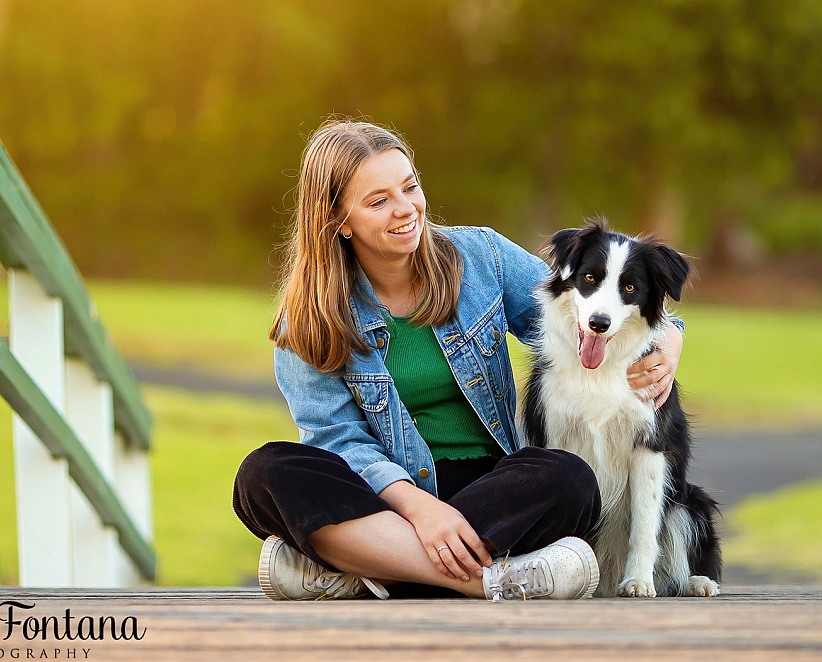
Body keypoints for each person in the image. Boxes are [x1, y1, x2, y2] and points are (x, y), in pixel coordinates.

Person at [232, 120, 684, 601]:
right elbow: (339, 442)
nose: (406, 209)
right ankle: (488, 579)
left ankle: (358, 569)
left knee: (569, 480)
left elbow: (575, 308)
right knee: (263, 475)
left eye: (410, 187)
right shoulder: (306, 320)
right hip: (385, 496)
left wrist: (671, 335)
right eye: (379, 200)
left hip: (493, 489)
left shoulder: (480, 255)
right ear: (339, 221)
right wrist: (422, 512)